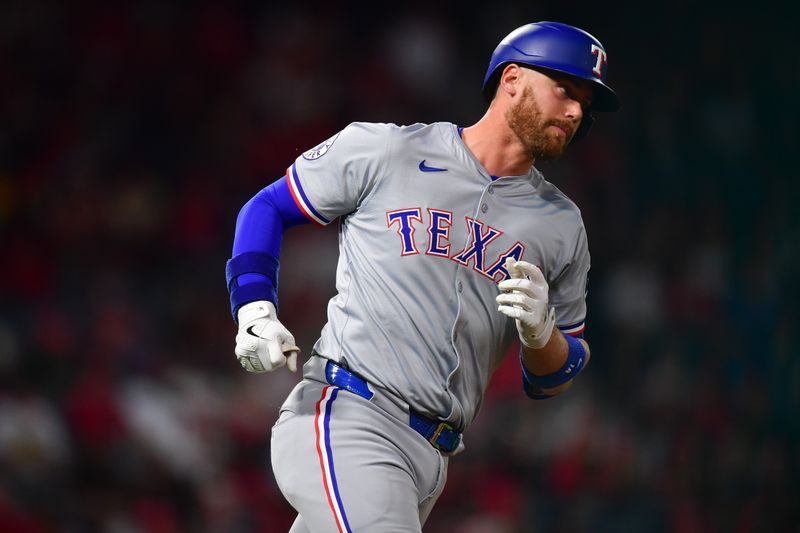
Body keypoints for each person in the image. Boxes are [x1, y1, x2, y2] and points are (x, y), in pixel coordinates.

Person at [225, 21, 620, 532]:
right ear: (513, 79)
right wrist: (255, 309)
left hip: (432, 459)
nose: (575, 112)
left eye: (585, 104)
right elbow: (268, 207)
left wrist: (542, 335)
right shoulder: (392, 151)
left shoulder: (562, 225)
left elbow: (555, 374)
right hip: (350, 415)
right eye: (566, 90)